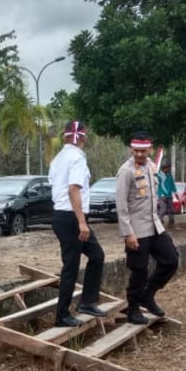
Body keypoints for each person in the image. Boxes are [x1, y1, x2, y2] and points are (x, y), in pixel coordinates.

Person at [48, 121, 108, 327]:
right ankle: (62, 315)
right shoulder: (77, 158)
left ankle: (87, 302)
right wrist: (82, 222)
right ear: (83, 137)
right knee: (71, 266)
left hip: (63, 215)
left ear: (65, 136)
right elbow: (73, 189)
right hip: (71, 217)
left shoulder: (58, 158)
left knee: (97, 256)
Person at [115, 132, 179, 325]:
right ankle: (133, 308)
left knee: (171, 260)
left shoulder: (151, 167)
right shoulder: (126, 171)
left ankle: (148, 295)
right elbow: (121, 205)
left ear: (149, 149)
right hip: (137, 229)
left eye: (143, 151)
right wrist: (128, 233)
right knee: (139, 270)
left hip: (154, 225)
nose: (140, 155)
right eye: (136, 151)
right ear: (131, 149)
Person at [157, 161, 178, 230]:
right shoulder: (158, 176)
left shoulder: (169, 176)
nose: (169, 169)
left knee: (171, 210)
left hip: (169, 196)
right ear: (164, 168)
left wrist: (176, 193)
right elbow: (158, 187)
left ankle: (171, 223)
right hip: (162, 196)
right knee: (163, 209)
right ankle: (159, 223)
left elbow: (172, 185)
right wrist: (162, 195)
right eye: (168, 167)